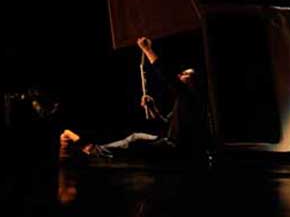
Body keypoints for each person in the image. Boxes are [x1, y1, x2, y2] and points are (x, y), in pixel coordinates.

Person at [61, 36, 208, 161]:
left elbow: (166, 75)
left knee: (136, 143)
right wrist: (152, 107)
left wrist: (147, 50)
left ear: (194, 82)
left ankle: (96, 151)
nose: (180, 75)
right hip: (171, 142)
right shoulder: (183, 100)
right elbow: (165, 124)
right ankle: (98, 150)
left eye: (186, 74)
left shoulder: (191, 97)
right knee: (135, 137)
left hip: (177, 148)